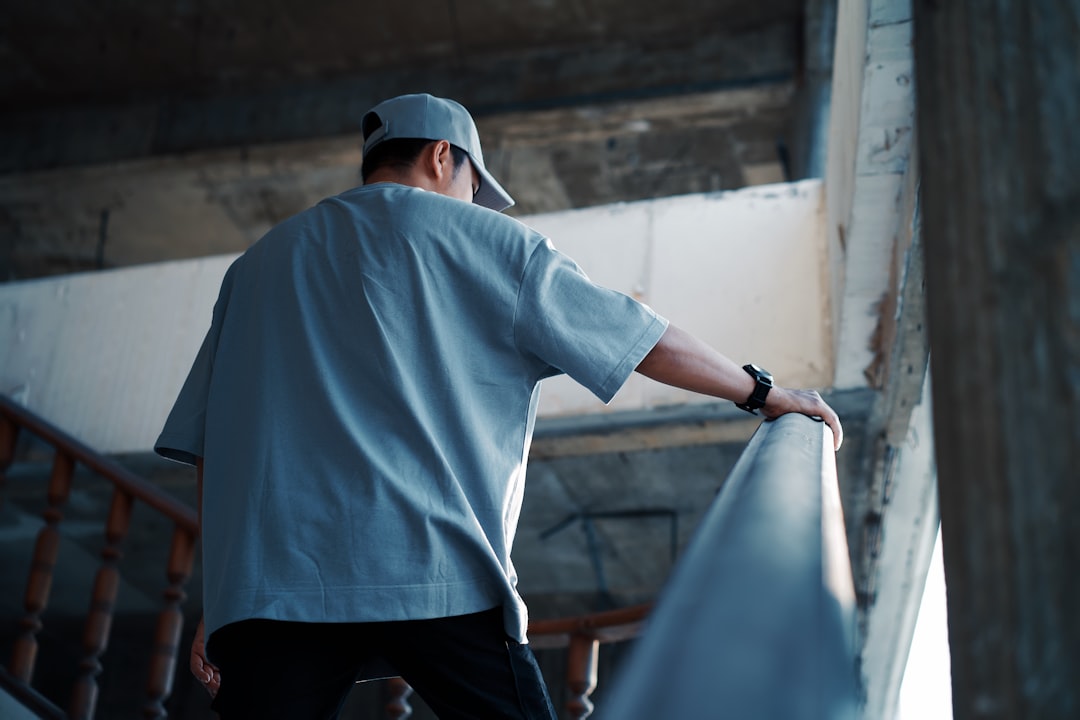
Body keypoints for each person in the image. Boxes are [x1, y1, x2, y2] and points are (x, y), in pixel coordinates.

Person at [155, 93, 842, 719]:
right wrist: (764, 391)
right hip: (431, 569)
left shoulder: (255, 268)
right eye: (475, 186)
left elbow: (213, 446)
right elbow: (638, 338)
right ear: (442, 156)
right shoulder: (489, 242)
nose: (475, 202)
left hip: (274, 592)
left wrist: (223, 598)